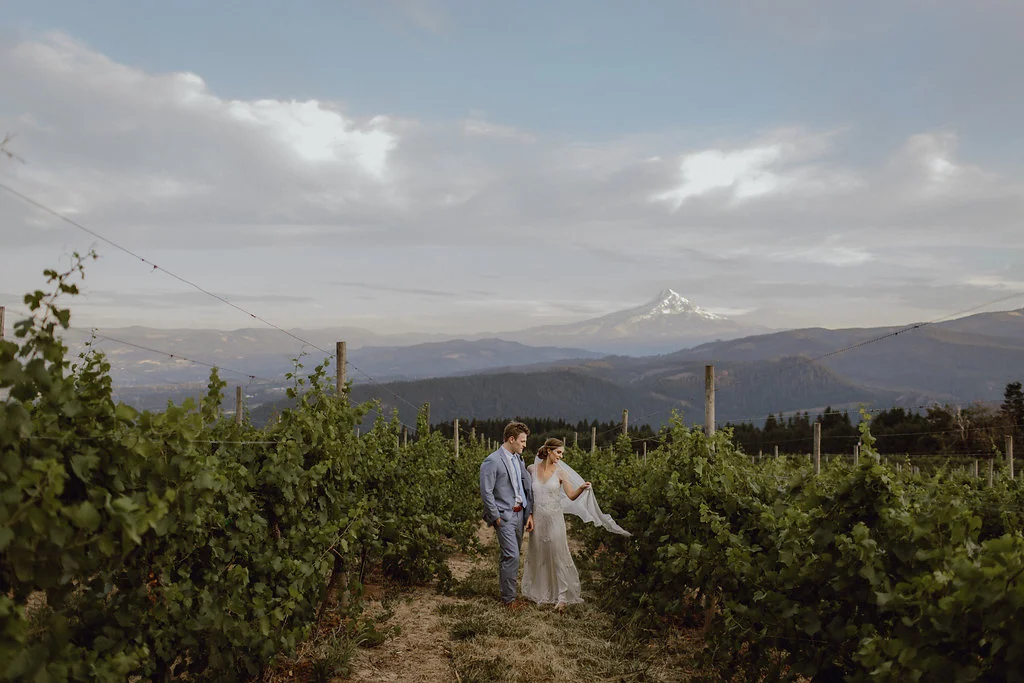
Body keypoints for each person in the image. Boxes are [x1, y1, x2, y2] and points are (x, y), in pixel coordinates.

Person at [522, 438, 631, 611]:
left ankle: (562, 596)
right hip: (538, 519)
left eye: (562, 453)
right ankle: (541, 593)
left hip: (554, 519)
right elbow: (528, 495)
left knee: (558, 554)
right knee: (539, 555)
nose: (561, 456)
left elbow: (571, 495)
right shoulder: (531, 469)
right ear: (549, 451)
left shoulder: (561, 473)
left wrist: (582, 488)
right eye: (558, 452)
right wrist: (529, 516)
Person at [478, 421, 534, 608]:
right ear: (511, 439)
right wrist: (496, 516)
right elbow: (486, 492)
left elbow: (524, 487)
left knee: (511, 555)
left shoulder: (519, 459)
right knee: (512, 556)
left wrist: (529, 512)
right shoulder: (492, 461)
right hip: (505, 516)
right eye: (522, 441)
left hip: (520, 515)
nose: (525, 445)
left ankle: (507, 594)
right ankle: (509, 600)